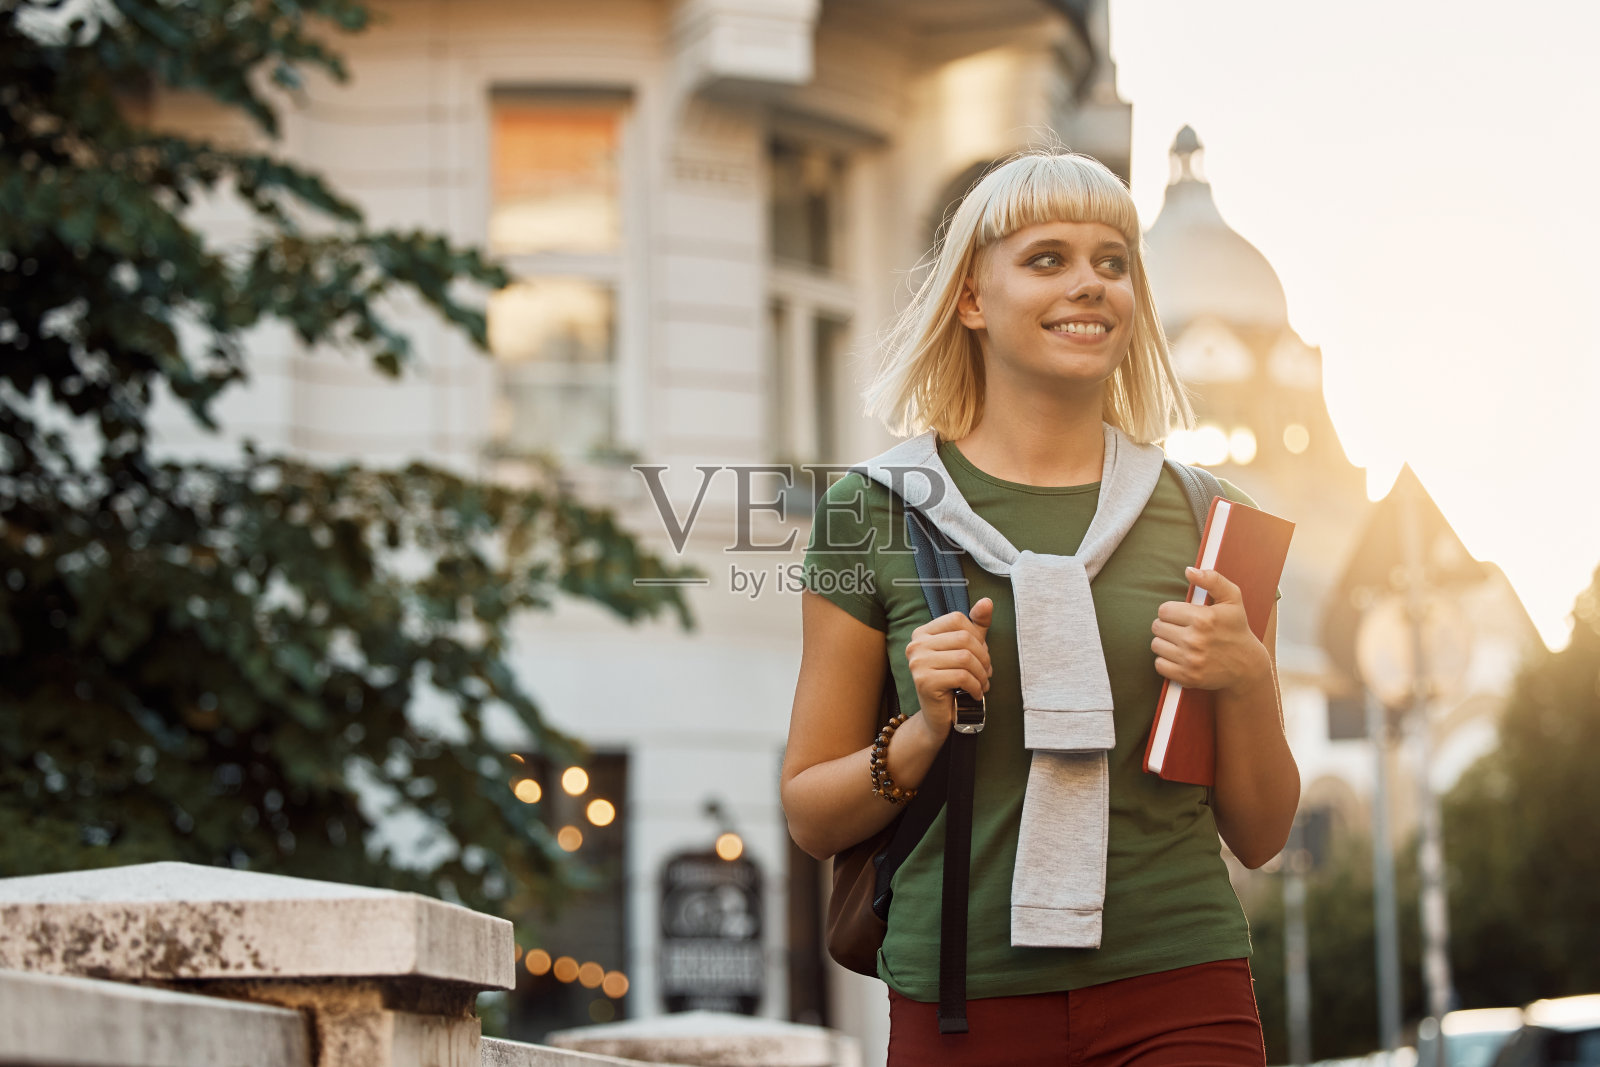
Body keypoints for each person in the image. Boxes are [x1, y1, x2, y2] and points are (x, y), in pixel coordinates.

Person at [780, 150, 1300, 1066]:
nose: (1091, 284)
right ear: (972, 298)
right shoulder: (874, 511)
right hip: (963, 1004)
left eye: (1113, 261)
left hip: (1181, 985)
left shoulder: (1216, 518)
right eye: (1048, 259)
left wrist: (1248, 679)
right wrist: (922, 730)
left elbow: (1260, 835)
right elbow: (811, 814)